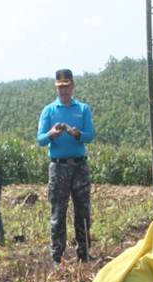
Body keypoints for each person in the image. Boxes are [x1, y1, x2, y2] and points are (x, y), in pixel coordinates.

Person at [36, 69, 94, 265]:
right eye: (60, 87)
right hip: (58, 168)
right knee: (58, 212)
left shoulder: (83, 108)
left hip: (79, 167)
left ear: (72, 86)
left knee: (83, 212)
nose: (63, 91)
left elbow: (90, 136)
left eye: (66, 86)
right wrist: (51, 134)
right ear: (56, 88)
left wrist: (78, 134)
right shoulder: (49, 110)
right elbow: (40, 140)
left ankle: (84, 254)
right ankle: (57, 256)